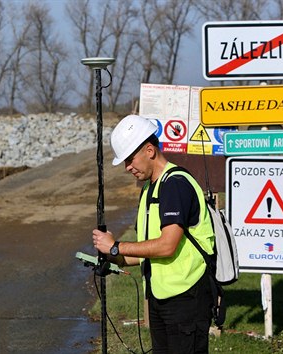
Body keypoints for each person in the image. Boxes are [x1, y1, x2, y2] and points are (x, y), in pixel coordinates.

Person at [92, 114, 216, 353]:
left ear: (149, 150)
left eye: (130, 159)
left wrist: (116, 246)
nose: (128, 167)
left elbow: (167, 245)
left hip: (187, 296)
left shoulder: (175, 184)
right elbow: (146, 252)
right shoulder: (151, 188)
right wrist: (111, 257)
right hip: (161, 297)